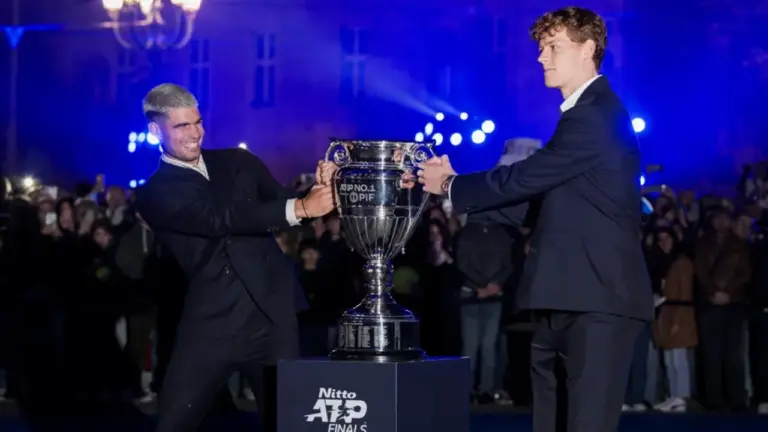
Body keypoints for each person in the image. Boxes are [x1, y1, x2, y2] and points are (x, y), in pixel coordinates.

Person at [418, 7, 652, 432]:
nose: (542, 57)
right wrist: (452, 193)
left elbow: (528, 177)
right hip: (569, 298)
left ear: (588, 49)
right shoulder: (584, 114)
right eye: (542, 47)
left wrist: (453, 185)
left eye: (553, 46)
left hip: (596, 302)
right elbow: (543, 204)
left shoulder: (596, 113)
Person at [134, 83, 336, 432]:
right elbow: (218, 219)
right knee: (174, 422)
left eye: (198, 122)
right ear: (155, 130)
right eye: (182, 126)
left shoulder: (239, 162)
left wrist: (315, 193)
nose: (195, 133)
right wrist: (301, 207)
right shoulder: (155, 192)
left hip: (271, 317)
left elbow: (280, 202)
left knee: (290, 422)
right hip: (212, 323)